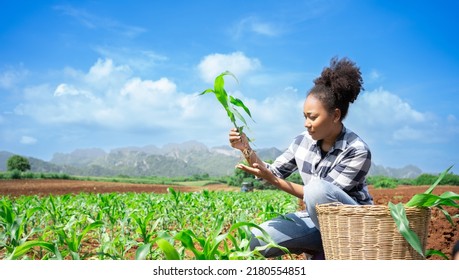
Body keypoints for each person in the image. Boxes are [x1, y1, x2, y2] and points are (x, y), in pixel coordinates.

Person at [228, 57, 373, 259]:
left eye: (313, 117)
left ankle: (337, 255)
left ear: (336, 115)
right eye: (305, 116)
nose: (306, 123)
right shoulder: (301, 142)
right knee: (257, 240)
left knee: (317, 189)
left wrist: (274, 181)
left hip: (355, 225)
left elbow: (320, 197)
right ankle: (320, 251)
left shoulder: (357, 150)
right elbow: (271, 172)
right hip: (317, 221)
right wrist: (245, 149)